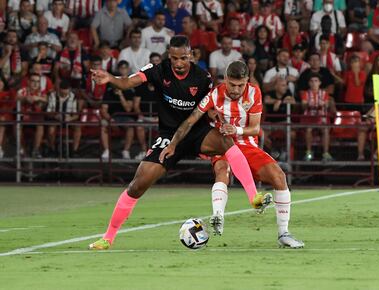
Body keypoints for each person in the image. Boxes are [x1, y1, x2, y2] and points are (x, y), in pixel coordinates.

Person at [88, 36, 271, 250]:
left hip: (197, 131)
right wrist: (109, 78)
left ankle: (253, 196)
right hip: (169, 134)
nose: (178, 63)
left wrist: (217, 117)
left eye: (183, 58)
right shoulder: (158, 70)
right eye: (174, 58)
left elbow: (207, 108)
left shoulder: (203, 77)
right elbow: (127, 82)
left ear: (191, 55)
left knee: (225, 143)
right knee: (138, 184)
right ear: (169, 55)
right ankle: (108, 238)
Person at [159, 60, 304, 248]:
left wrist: (235, 129)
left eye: (240, 85)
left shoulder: (254, 93)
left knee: (279, 177)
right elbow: (191, 120)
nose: (236, 89)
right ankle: (218, 216)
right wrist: (173, 144)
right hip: (222, 145)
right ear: (225, 79)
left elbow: (255, 128)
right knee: (221, 169)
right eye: (232, 84)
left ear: (247, 81)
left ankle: (283, 233)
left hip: (246, 144)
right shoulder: (214, 94)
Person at [100, 61, 135, 160]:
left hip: (125, 118)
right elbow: (104, 110)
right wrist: (110, 120)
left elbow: (128, 109)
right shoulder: (108, 92)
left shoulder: (129, 91)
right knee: (103, 125)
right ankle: (106, 150)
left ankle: (126, 151)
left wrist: (121, 96)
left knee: (131, 126)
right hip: (111, 118)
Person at [301, 73, 334, 162]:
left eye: (316, 81)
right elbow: (303, 105)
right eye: (311, 81)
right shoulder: (305, 93)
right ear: (309, 83)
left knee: (325, 129)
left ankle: (326, 153)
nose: (314, 83)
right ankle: (308, 152)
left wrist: (323, 104)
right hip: (309, 118)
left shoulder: (324, 93)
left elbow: (327, 105)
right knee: (308, 129)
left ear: (319, 83)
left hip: (321, 117)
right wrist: (308, 104)